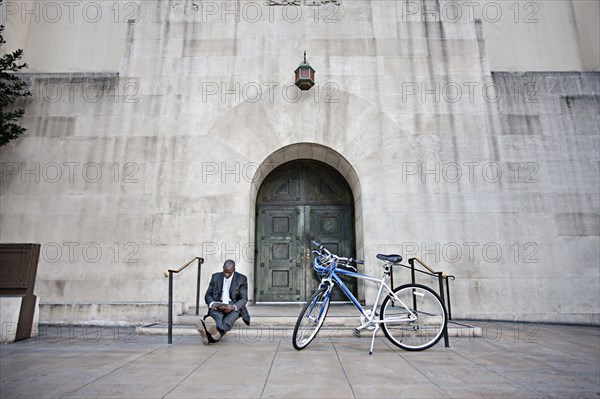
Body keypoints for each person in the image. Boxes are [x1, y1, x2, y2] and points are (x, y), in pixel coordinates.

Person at [198, 259, 250, 344]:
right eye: (225, 272)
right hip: (218, 305)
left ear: (234, 270)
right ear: (223, 268)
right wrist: (212, 303)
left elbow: (244, 299)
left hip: (233, 306)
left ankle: (208, 336)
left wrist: (232, 307)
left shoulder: (241, 279)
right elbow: (208, 295)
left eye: (229, 273)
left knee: (228, 320)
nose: (226, 274)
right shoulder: (215, 277)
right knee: (217, 318)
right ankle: (212, 333)